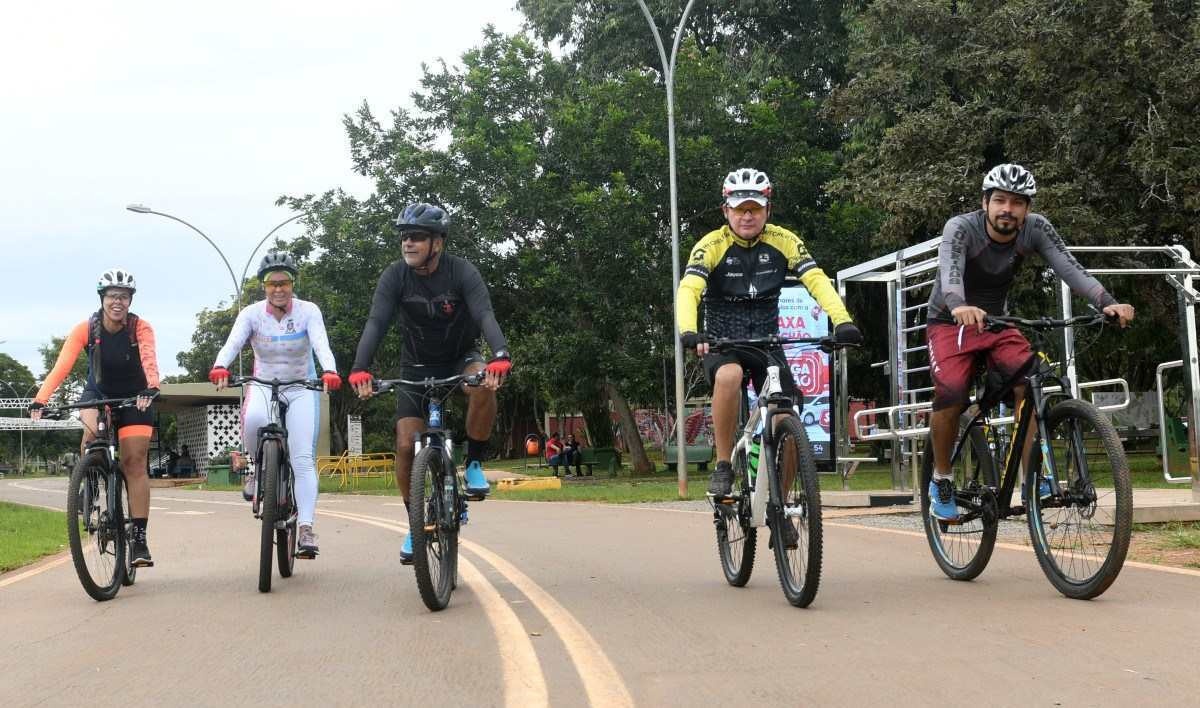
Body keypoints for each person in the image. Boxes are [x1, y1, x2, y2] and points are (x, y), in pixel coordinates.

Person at [925, 164, 1135, 520]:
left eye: (1017, 203)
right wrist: (960, 305)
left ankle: (1032, 476)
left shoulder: (1035, 229)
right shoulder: (961, 228)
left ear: (1027, 208)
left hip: (997, 322)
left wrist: (1106, 302)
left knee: (1032, 379)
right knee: (953, 393)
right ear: (985, 202)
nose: (1008, 209)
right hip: (950, 320)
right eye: (1000, 200)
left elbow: (1070, 268)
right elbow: (951, 272)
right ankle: (941, 478)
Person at [677, 168, 863, 516]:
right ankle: (722, 465)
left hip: (767, 344)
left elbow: (817, 280)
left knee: (787, 420)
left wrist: (843, 321)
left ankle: (783, 503)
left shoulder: (785, 240)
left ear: (767, 210)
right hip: (722, 342)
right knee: (729, 376)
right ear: (726, 211)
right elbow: (688, 290)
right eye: (739, 209)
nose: (747, 216)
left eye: (755, 208)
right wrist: (690, 331)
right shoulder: (711, 245)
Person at [348, 202, 512, 565]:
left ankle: (472, 464)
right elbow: (376, 322)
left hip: (460, 358)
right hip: (416, 366)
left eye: (417, 237)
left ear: (437, 242)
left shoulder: (461, 272)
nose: (408, 243)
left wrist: (499, 355)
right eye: (405, 237)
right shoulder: (394, 277)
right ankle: (414, 520)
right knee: (406, 443)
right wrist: (360, 368)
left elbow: (485, 313)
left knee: (484, 383)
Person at [209, 251, 341, 558]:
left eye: (284, 282)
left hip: (301, 387)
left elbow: (321, 343)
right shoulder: (252, 315)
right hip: (264, 385)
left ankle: (306, 528)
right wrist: (220, 366)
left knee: (302, 458)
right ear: (264, 287)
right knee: (253, 420)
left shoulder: (308, 311)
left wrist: (330, 371)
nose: (278, 289)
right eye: (272, 283)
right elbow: (232, 343)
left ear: (293, 284)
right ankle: (257, 471)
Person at [30, 268, 161, 567]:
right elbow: (61, 367)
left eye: (124, 297)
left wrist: (151, 387)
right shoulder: (85, 329)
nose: (118, 302)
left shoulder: (140, 328)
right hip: (97, 392)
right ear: (103, 298)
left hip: (135, 396)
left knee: (135, 462)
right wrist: (41, 398)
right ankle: (88, 479)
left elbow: (150, 360)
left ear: (130, 301)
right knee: (90, 435)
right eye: (113, 296)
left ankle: (139, 539)